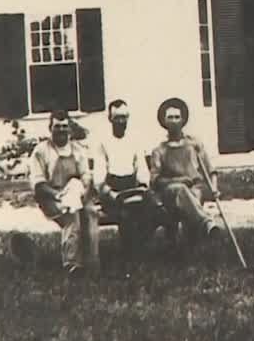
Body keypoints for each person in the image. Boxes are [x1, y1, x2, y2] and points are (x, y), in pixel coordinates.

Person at [147, 97, 226, 251]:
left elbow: (210, 169)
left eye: (177, 117)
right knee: (180, 189)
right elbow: (155, 180)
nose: (174, 121)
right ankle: (207, 223)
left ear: (183, 120)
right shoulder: (159, 150)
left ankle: (191, 248)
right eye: (170, 117)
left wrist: (214, 188)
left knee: (194, 194)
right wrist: (178, 181)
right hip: (170, 191)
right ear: (164, 121)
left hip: (194, 188)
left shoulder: (193, 144)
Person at [27, 110, 100, 276]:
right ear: (50, 128)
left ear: (70, 129)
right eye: (57, 127)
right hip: (52, 197)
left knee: (91, 212)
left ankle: (93, 263)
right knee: (71, 215)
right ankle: (72, 264)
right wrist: (57, 195)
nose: (61, 130)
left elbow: (86, 176)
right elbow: (38, 184)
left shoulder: (77, 149)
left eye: (64, 126)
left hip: (77, 194)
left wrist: (84, 192)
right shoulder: (41, 151)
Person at [94, 99, 157, 265]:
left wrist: (143, 185)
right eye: (117, 118)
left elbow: (141, 167)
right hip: (112, 188)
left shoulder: (134, 139)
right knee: (125, 213)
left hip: (131, 186)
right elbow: (99, 176)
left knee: (155, 209)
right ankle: (131, 256)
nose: (121, 121)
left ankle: (141, 249)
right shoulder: (102, 142)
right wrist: (110, 193)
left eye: (124, 117)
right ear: (110, 119)